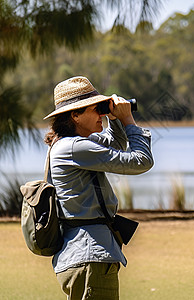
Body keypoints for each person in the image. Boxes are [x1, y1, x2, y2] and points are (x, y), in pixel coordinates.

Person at [43, 76, 154, 300]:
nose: (101, 114)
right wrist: (129, 120)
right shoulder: (75, 148)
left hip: (82, 255)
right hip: (90, 255)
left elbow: (115, 144)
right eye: (96, 109)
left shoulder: (68, 145)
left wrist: (114, 119)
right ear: (75, 115)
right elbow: (141, 161)